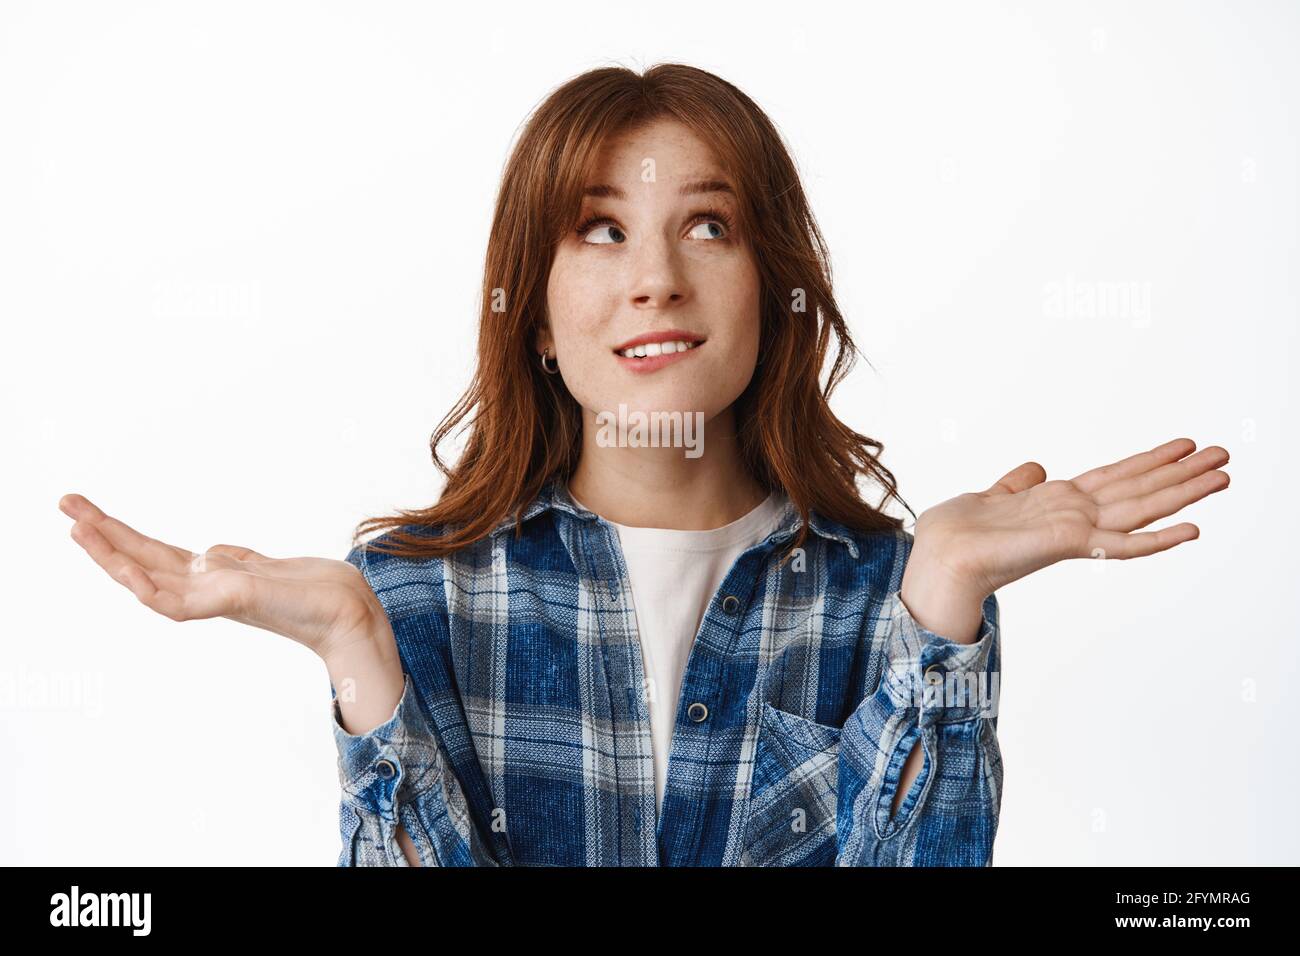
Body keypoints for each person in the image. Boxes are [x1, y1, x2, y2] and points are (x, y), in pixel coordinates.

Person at [58, 63, 1230, 867]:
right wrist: (356, 651)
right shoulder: (416, 595)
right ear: (534, 310)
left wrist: (948, 593)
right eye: (599, 229)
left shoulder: (892, 598)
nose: (656, 277)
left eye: (707, 225)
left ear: (777, 291)